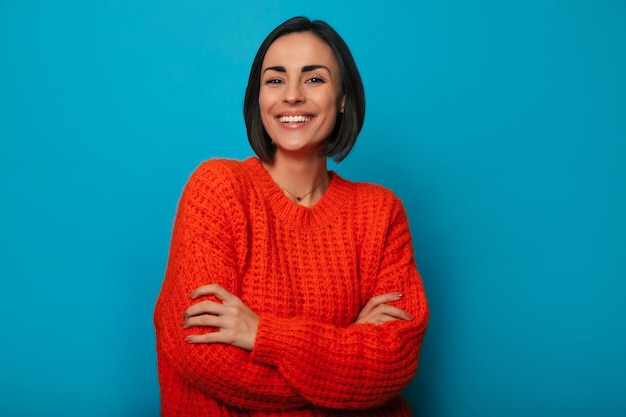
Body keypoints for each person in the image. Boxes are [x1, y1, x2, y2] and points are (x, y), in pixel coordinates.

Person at [154, 16, 429, 416]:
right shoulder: (218, 188)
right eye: (276, 80)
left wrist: (263, 334)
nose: (293, 96)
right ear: (259, 98)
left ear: (343, 98)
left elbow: (396, 359)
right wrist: (346, 354)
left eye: (314, 79)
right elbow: (206, 358)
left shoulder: (380, 212)